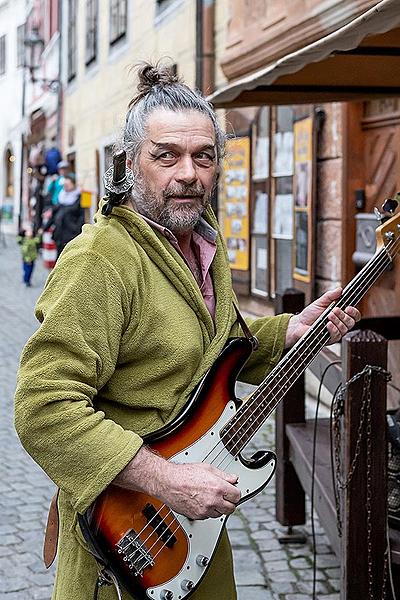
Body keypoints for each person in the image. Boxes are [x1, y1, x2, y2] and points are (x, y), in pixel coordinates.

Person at [14, 63, 360, 600]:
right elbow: (42, 406)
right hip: (125, 542)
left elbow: (210, 351)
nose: (188, 172)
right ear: (132, 163)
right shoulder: (101, 260)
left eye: (204, 156)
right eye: (166, 155)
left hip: (197, 526)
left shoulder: (198, 245)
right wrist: (166, 481)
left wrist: (288, 331)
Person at [42, 172, 85, 258]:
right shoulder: (61, 196)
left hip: (71, 235)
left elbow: (82, 217)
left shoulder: (78, 197)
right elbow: (54, 214)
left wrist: (77, 231)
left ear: (73, 184)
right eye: (64, 185)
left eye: (68, 185)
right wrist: (44, 228)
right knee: (59, 258)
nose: (66, 187)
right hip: (59, 235)